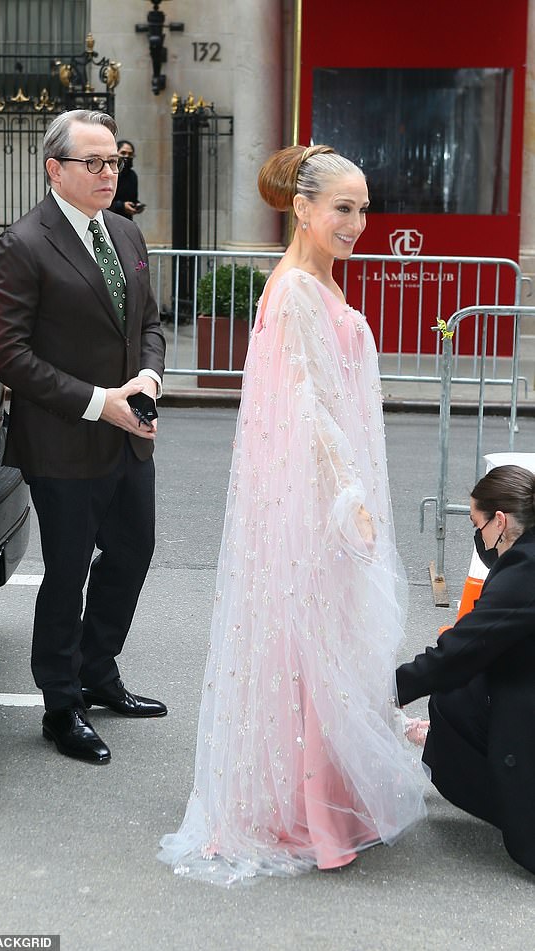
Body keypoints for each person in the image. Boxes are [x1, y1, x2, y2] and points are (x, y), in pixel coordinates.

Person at [157, 145, 426, 885]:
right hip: (315, 502)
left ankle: (328, 801)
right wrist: (348, 499)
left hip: (326, 497)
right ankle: (305, 809)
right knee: (310, 645)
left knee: (325, 643)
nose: (358, 223)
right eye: (343, 208)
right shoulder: (298, 291)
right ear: (302, 210)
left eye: (364, 208)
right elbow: (305, 410)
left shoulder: (317, 282)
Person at [0, 110, 167, 765]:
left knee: (133, 552)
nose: (108, 172)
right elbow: (6, 354)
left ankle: (98, 671)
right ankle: (62, 706)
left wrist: (146, 375)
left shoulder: (125, 231)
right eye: (93, 162)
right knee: (66, 578)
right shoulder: (22, 245)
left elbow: (149, 322)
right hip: (63, 444)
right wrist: (97, 403)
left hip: (129, 434)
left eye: (112, 160)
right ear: (55, 168)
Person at [396, 464, 535, 875]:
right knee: (461, 690)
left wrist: (391, 687)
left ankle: (513, 799)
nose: (478, 538)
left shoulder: (524, 572)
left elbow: (462, 649)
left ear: (501, 521)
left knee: (450, 696)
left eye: (478, 524)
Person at [110, 140, 143, 221]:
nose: (127, 156)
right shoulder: (109, 173)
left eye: (130, 154)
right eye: (123, 153)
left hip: (126, 220)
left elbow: (132, 198)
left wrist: (136, 205)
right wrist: (121, 206)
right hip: (109, 218)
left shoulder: (132, 175)